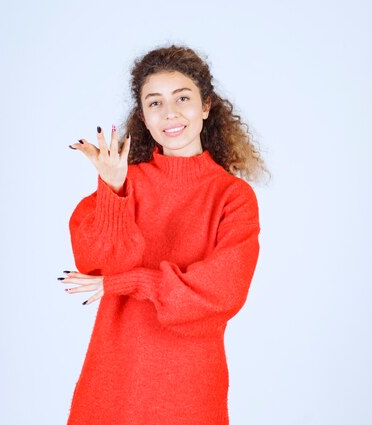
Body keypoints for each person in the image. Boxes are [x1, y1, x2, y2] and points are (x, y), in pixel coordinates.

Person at [59, 44, 269, 425]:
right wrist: (113, 191)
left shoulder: (233, 197)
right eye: (154, 102)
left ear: (206, 106)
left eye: (182, 98)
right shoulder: (126, 183)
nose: (169, 112)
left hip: (189, 387)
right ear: (143, 116)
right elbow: (98, 265)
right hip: (114, 380)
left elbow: (221, 294)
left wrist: (135, 282)